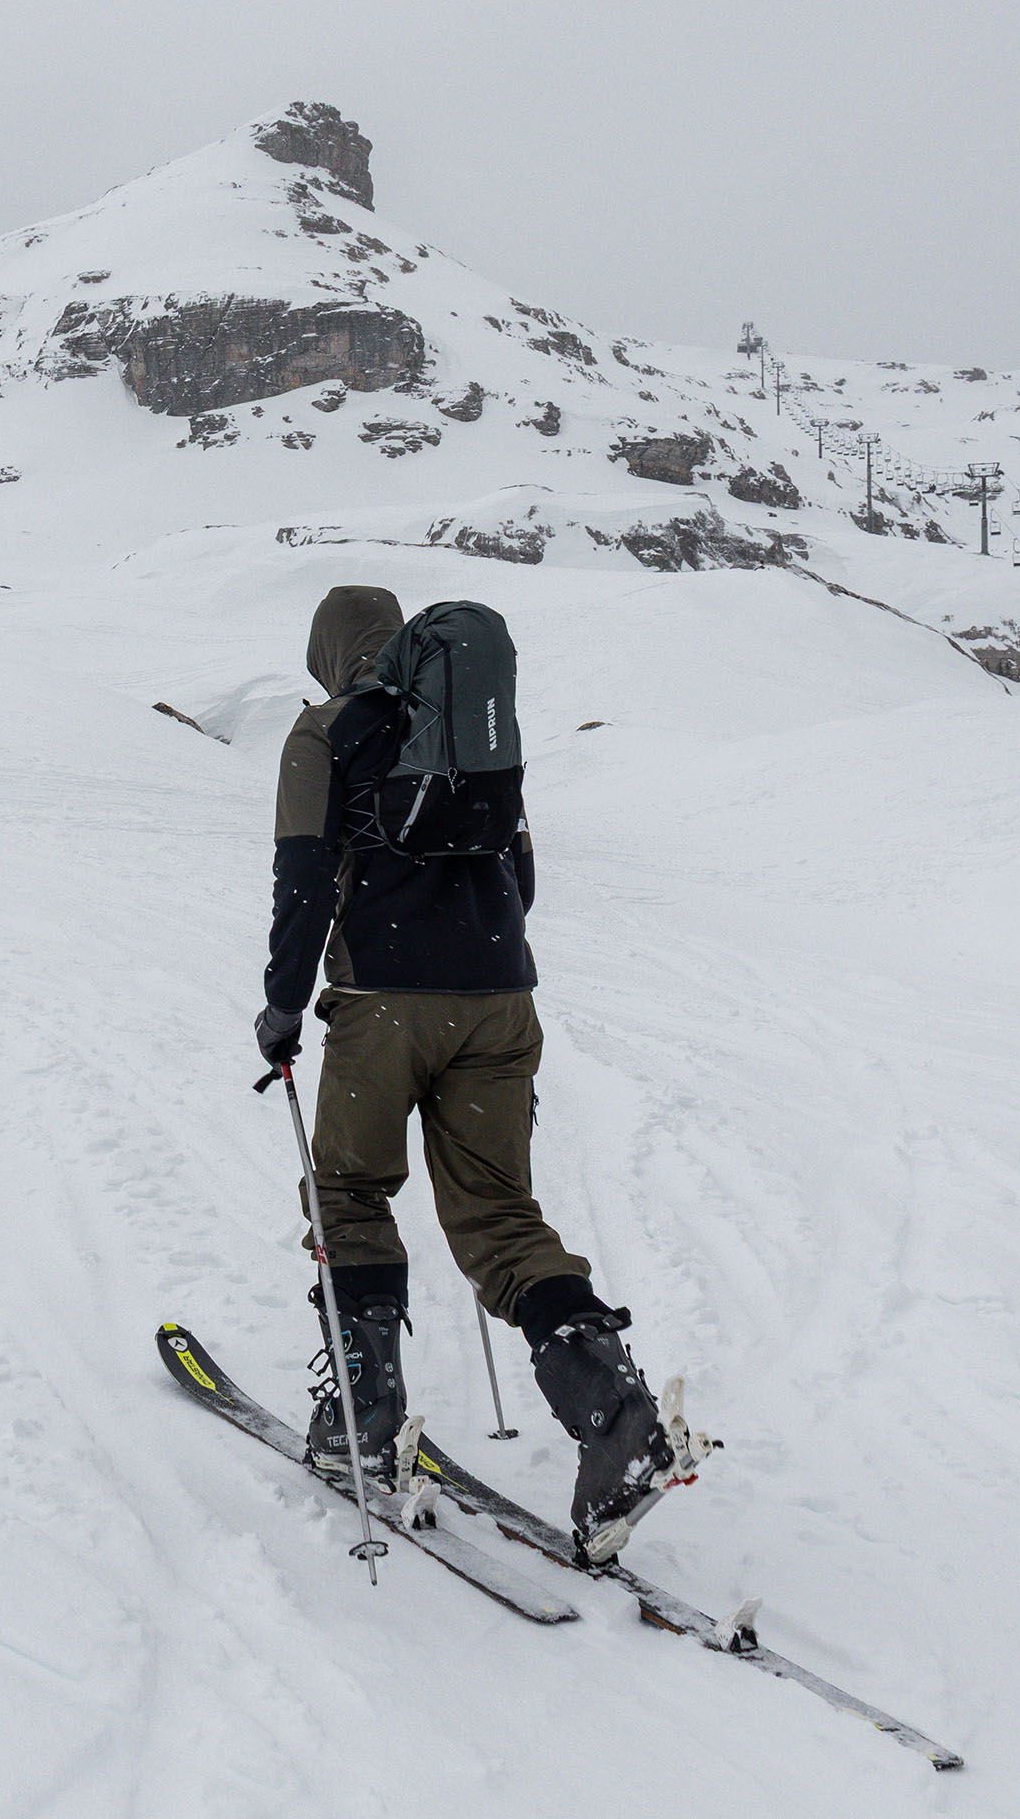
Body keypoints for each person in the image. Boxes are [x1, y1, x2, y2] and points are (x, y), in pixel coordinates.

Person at [257, 584, 685, 1559]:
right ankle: (614, 1411)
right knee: (498, 1216)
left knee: (350, 1189)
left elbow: (303, 880)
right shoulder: (467, 732)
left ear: (329, 654)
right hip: (501, 998)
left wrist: (283, 1011)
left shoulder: (325, 731)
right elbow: (521, 878)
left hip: (383, 1006)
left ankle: (363, 1423)